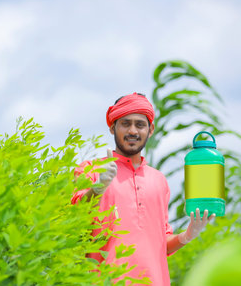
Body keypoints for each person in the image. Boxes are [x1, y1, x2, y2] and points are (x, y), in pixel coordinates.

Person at [71, 92, 216, 285]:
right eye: (125, 123)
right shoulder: (91, 169)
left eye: (140, 124)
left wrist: (188, 235)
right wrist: (97, 188)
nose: (133, 131)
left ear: (151, 129)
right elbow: (74, 215)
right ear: (113, 127)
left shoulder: (159, 180)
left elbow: (162, 243)